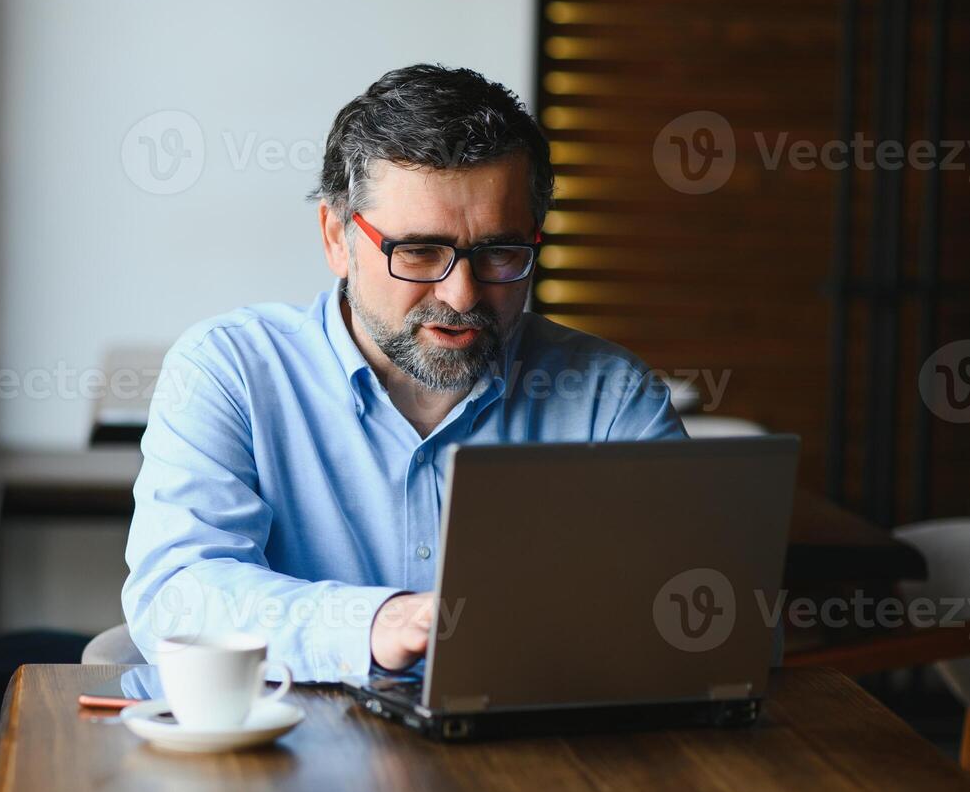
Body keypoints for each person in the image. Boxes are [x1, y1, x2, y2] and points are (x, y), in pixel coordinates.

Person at [123, 64, 686, 682]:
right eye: (419, 251)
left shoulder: (608, 397)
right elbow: (177, 596)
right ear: (337, 237)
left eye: (499, 251)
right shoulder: (228, 370)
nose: (461, 293)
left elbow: (702, 611)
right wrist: (377, 624)